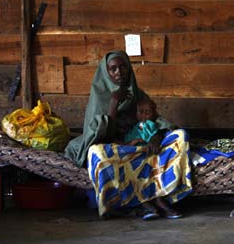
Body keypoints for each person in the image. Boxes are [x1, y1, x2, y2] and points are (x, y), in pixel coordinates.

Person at [64, 51, 192, 220]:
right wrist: (114, 102)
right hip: (116, 147)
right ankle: (142, 202)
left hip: (142, 145)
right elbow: (99, 135)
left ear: (129, 69)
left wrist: (156, 136)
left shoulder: (138, 95)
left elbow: (156, 121)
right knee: (98, 153)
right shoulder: (99, 97)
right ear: (106, 72)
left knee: (180, 136)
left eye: (123, 66)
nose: (119, 72)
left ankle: (160, 195)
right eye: (113, 69)